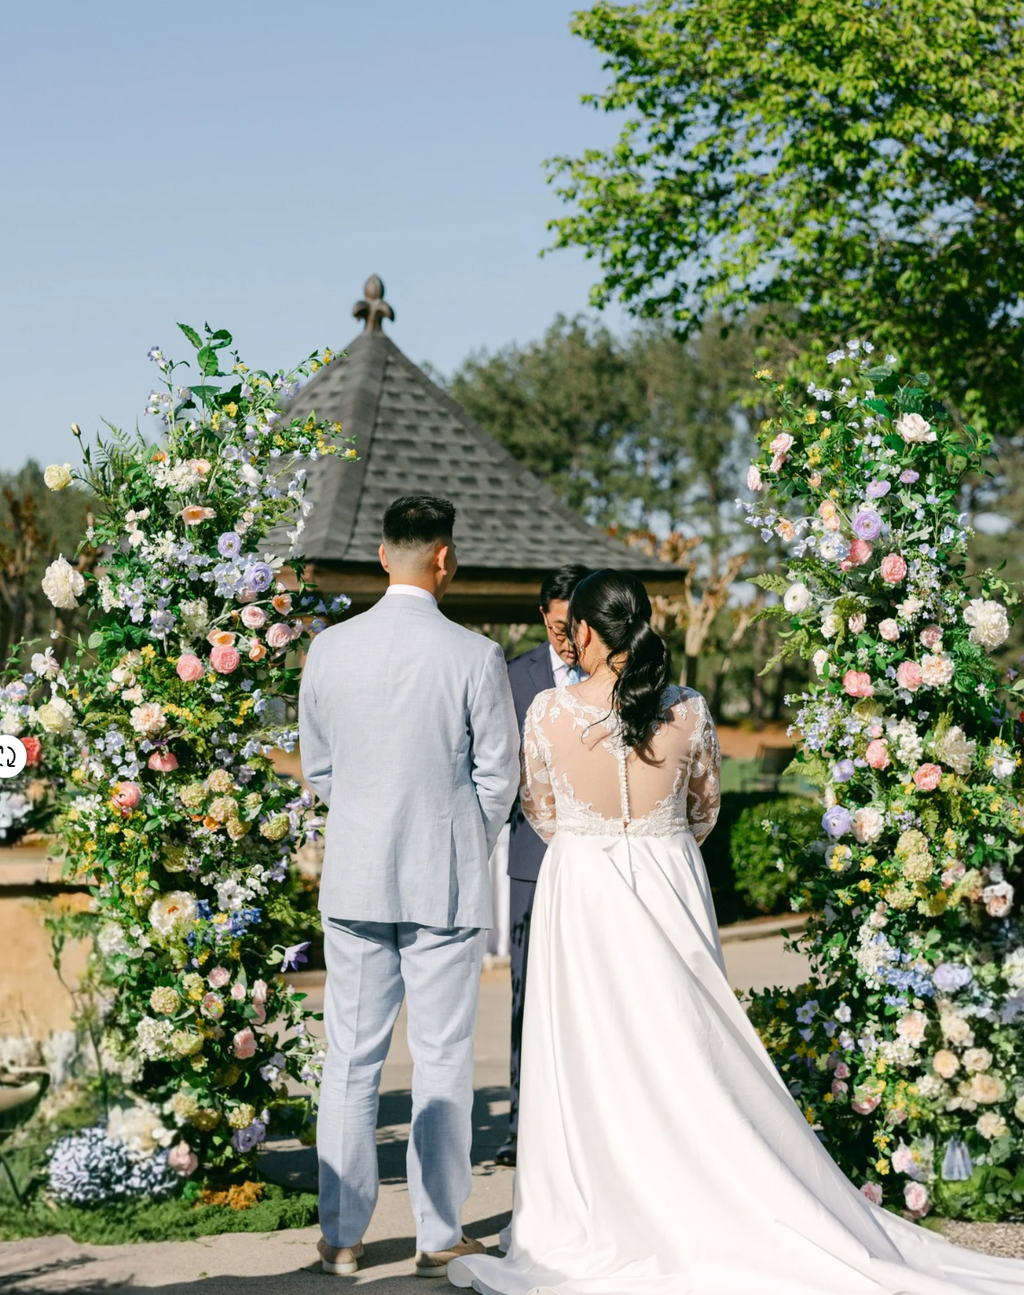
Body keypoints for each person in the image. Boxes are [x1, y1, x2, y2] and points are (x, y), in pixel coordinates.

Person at [450, 569, 1024, 1295]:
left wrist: (598, 843)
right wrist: (655, 840)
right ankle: (697, 1190)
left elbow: (539, 811)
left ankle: (604, 1206)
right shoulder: (688, 708)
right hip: (668, 876)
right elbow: (705, 810)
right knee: (685, 1041)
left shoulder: (546, 712)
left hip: (580, 888)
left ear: (585, 630)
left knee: (588, 1047)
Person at [299, 494, 520, 1279]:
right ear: (445, 558)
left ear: (383, 554)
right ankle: (437, 1233)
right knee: (442, 1058)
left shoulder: (328, 650)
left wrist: (367, 820)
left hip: (356, 877)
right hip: (442, 882)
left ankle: (342, 1236)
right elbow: (499, 776)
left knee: (350, 1060)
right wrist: (458, 837)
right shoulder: (475, 654)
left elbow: (321, 768)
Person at [497, 563, 590, 1168]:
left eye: (577, 626)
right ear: (542, 618)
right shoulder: (514, 677)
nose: (570, 639)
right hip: (533, 858)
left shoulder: (612, 672)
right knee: (526, 994)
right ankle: (520, 1127)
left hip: (597, 860)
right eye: (559, 627)